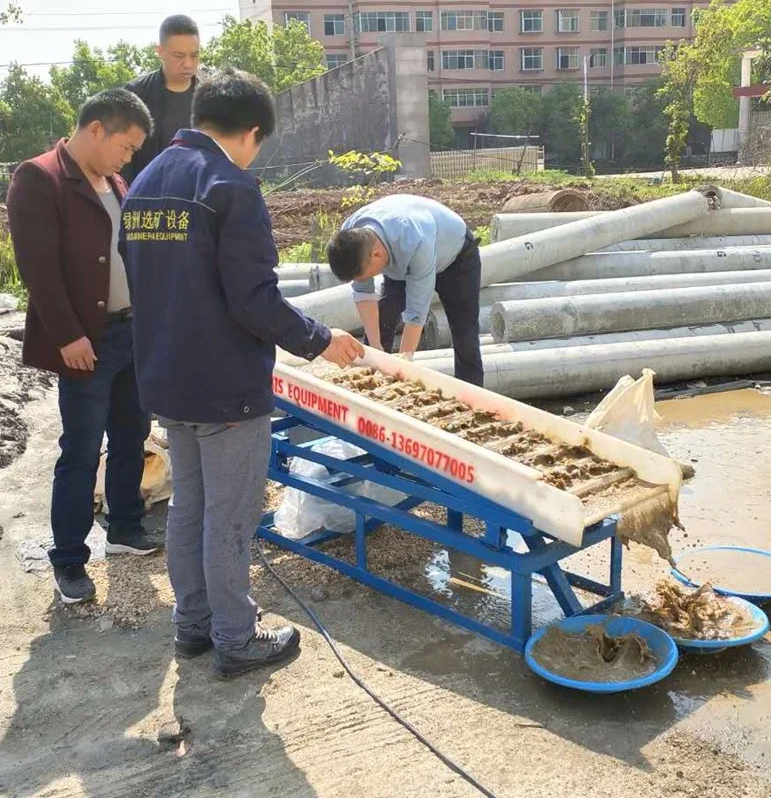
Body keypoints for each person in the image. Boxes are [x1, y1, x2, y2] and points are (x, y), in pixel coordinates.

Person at [120, 68, 364, 679]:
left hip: (166, 378)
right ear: (252, 132)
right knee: (227, 519)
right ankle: (236, 639)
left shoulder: (144, 181)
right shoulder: (229, 185)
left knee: (190, 510)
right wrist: (319, 339)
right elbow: (253, 300)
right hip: (224, 387)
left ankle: (193, 626)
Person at [6, 89, 162, 605]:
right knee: (79, 449)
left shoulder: (114, 181)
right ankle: (70, 558)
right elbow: (38, 270)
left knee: (130, 433)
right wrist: (68, 334)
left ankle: (123, 528)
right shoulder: (40, 177)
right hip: (85, 341)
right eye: (126, 146)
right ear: (97, 128)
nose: (129, 158)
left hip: (129, 331)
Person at [327, 195, 484, 386]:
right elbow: (363, 293)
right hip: (399, 259)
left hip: (456, 259)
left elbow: (416, 313)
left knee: (465, 336)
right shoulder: (351, 238)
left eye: (366, 275)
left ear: (377, 255)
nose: (366, 280)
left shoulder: (416, 240)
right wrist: (375, 350)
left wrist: (404, 364)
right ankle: (370, 387)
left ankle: (471, 401)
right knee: (383, 320)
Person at [122, 14, 200, 184]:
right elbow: (122, 157)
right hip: (146, 199)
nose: (188, 63)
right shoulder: (136, 95)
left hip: (197, 200)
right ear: (160, 51)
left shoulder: (209, 98)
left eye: (194, 55)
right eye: (179, 56)